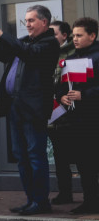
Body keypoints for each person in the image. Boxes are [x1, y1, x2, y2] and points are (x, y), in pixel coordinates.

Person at [0, 5, 61, 216]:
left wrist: (1, 33)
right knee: (21, 156)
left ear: (44, 22)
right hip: (15, 107)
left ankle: (41, 201)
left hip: (33, 109)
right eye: (25, 21)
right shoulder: (25, 42)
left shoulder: (49, 43)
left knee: (35, 156)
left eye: (31, 20)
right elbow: (4, 53)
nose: (27, 24)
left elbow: (29, 54)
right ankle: (30, 200)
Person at [54, 18, 99, 214]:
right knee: (84, 163)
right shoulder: (71, 59)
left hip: (94, 117)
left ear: (93, 35)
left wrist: (85, 95)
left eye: (79, 35)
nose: (75, 39)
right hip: (77, 120)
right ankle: (91, 201)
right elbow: (61, 86)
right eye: (73, 36)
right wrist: (62, 96)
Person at [48, 20, 76, 205]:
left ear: (64, 36)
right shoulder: (48, 54)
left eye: (54, 34)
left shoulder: (74, 55)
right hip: (55, 114)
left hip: (73, 113)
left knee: (83, 156)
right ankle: (65, 193)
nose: (50, 38)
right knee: (60, 157)